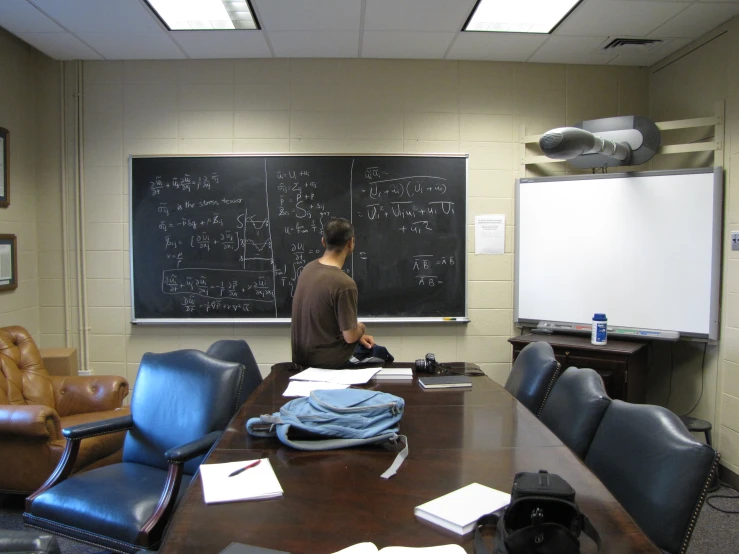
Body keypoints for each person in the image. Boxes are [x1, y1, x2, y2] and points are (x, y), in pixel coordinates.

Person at [291, 218, 375, 368]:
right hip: (330, 363)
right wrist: (361, 328)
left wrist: (356, 335)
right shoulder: (344, 284)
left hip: (302, 359)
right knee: (382, 354)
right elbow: (349, 338)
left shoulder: (308, 269)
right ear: (351, 243)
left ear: (323, 241)